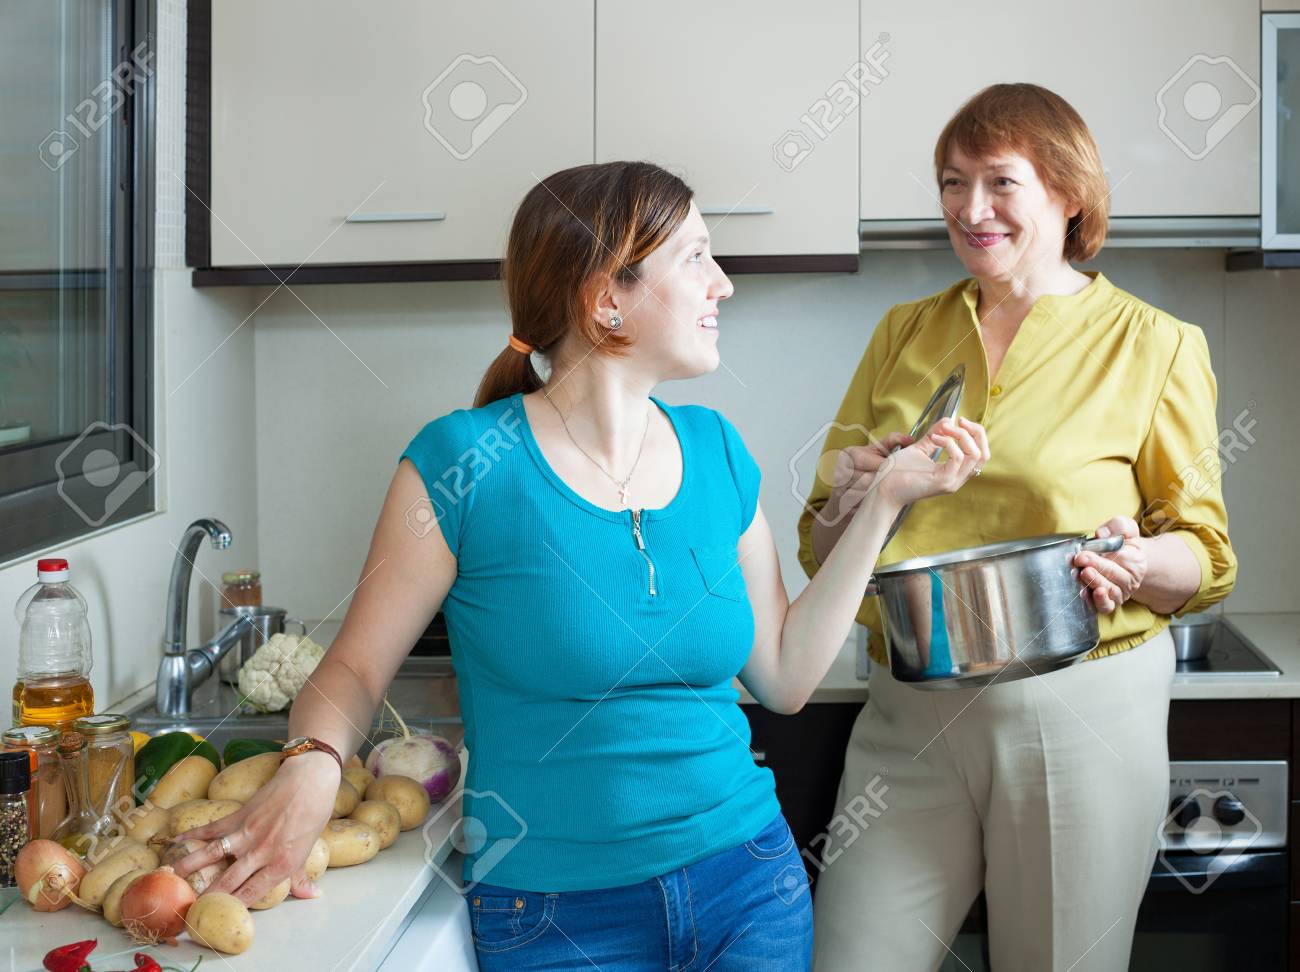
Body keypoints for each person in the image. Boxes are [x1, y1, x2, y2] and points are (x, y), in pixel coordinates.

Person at [169, 160, 988, 970]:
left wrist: (883, 504)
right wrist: (311, 768)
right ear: (608, 299)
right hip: (557, 920)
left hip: (751, 889)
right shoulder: (465, 463)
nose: (724, 283)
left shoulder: (718, 454)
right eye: (696, 256)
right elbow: (351, 669)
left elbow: (784, 676)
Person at [798, 83, 1236, 972]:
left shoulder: (1154, 344)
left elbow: (1209, 556)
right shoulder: (904, 333)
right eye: (952, 184)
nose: (971, 209)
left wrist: (1140, 559)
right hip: (908, 704)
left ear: (1069, 194)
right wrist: (851, 499)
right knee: (850, 956)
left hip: (1077, 710)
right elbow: (817, 543)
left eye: (1001, 183)